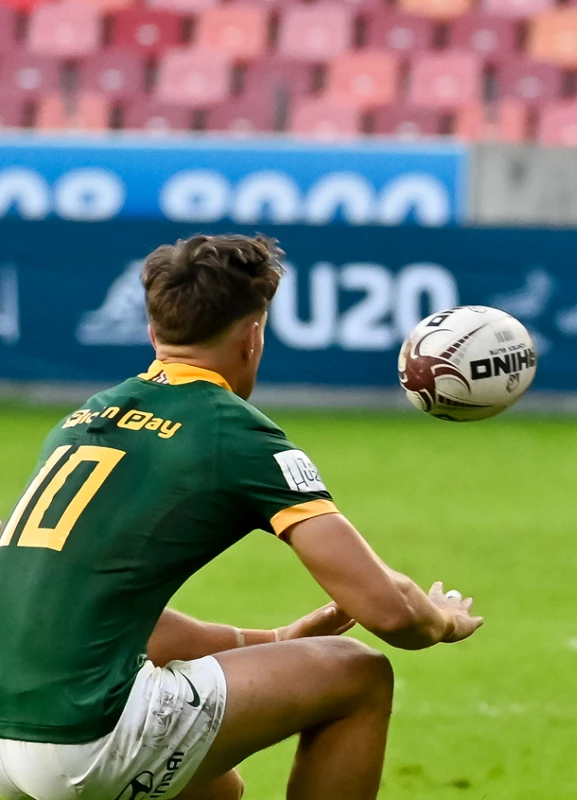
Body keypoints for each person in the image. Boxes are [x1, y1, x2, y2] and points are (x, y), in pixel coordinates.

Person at [0, 234, 483, 800]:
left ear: (155, 332)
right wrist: (444, 619)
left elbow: (96, 605)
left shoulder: (83, 419)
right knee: (358, 672)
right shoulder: (234, 432)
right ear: (253, 335)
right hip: (81, 739)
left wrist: (273, 638)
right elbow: (390, 612)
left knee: (214, 790)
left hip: (9, 734)